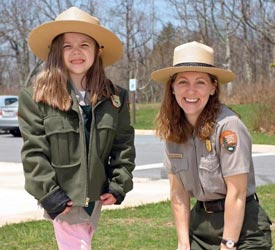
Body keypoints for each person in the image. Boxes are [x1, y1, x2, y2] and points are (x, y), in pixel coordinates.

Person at [18, 7, 135, 250]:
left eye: (84, 44)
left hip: (96, 198)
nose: (76, 52)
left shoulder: (115, 97)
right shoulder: (36, 97)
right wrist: (49, 194)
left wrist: (118, 184)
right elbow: (34, 153)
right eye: (67, 46)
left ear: (97, 50)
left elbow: (123, 145)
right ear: (55, 52)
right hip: (63, 199)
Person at [151, 41, 272, 250]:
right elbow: (178, 193)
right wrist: (183, 243)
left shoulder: (228, 126)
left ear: (213, 87)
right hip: (200, 226)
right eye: (182, 82)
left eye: (200, 82)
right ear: (172, 87)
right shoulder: (172, 131)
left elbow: (236, 193)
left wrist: (228, 243)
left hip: (243, 229)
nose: (191, 91)